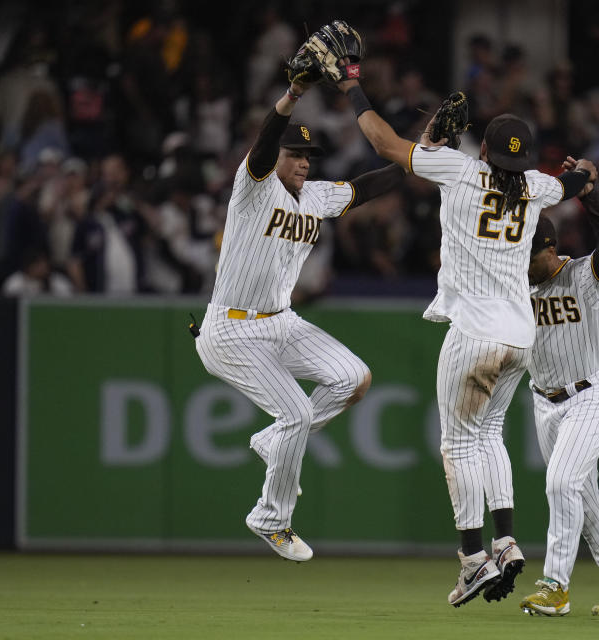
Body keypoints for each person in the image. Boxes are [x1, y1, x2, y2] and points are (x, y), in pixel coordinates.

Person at [335, 72, 596, 606]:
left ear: (485, 149)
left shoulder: (460, 171)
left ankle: (473, 558)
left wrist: (352, 87)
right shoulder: (538, 188)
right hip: (522, 338)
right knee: (490, 434)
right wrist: (585, 172)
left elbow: (383, 143)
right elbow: (578, 183)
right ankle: (505, 541)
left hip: (474, 332)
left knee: (457, 442)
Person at [193, 73, 407, 562]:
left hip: (280, 322)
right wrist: (292, 95)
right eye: (296, 155)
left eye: (308, 157)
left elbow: (371, 185)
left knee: (353, 378)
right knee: (296, 411)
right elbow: (267, 141)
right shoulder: (253, 185)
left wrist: (422, 154)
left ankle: (273, 441)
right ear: (277, 160)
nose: (303, 163)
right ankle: (271, 518)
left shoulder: (314, 196)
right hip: (230, 329)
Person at [517, 175, 599, 618]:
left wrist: (591, 196)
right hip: (544, 404)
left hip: (593, 396)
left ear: (549, 248)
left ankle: (555, 585)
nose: (521, 263)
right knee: (584, 497)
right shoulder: (518, 288)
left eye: (527, 254)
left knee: (561, 483)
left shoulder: (583, 275)